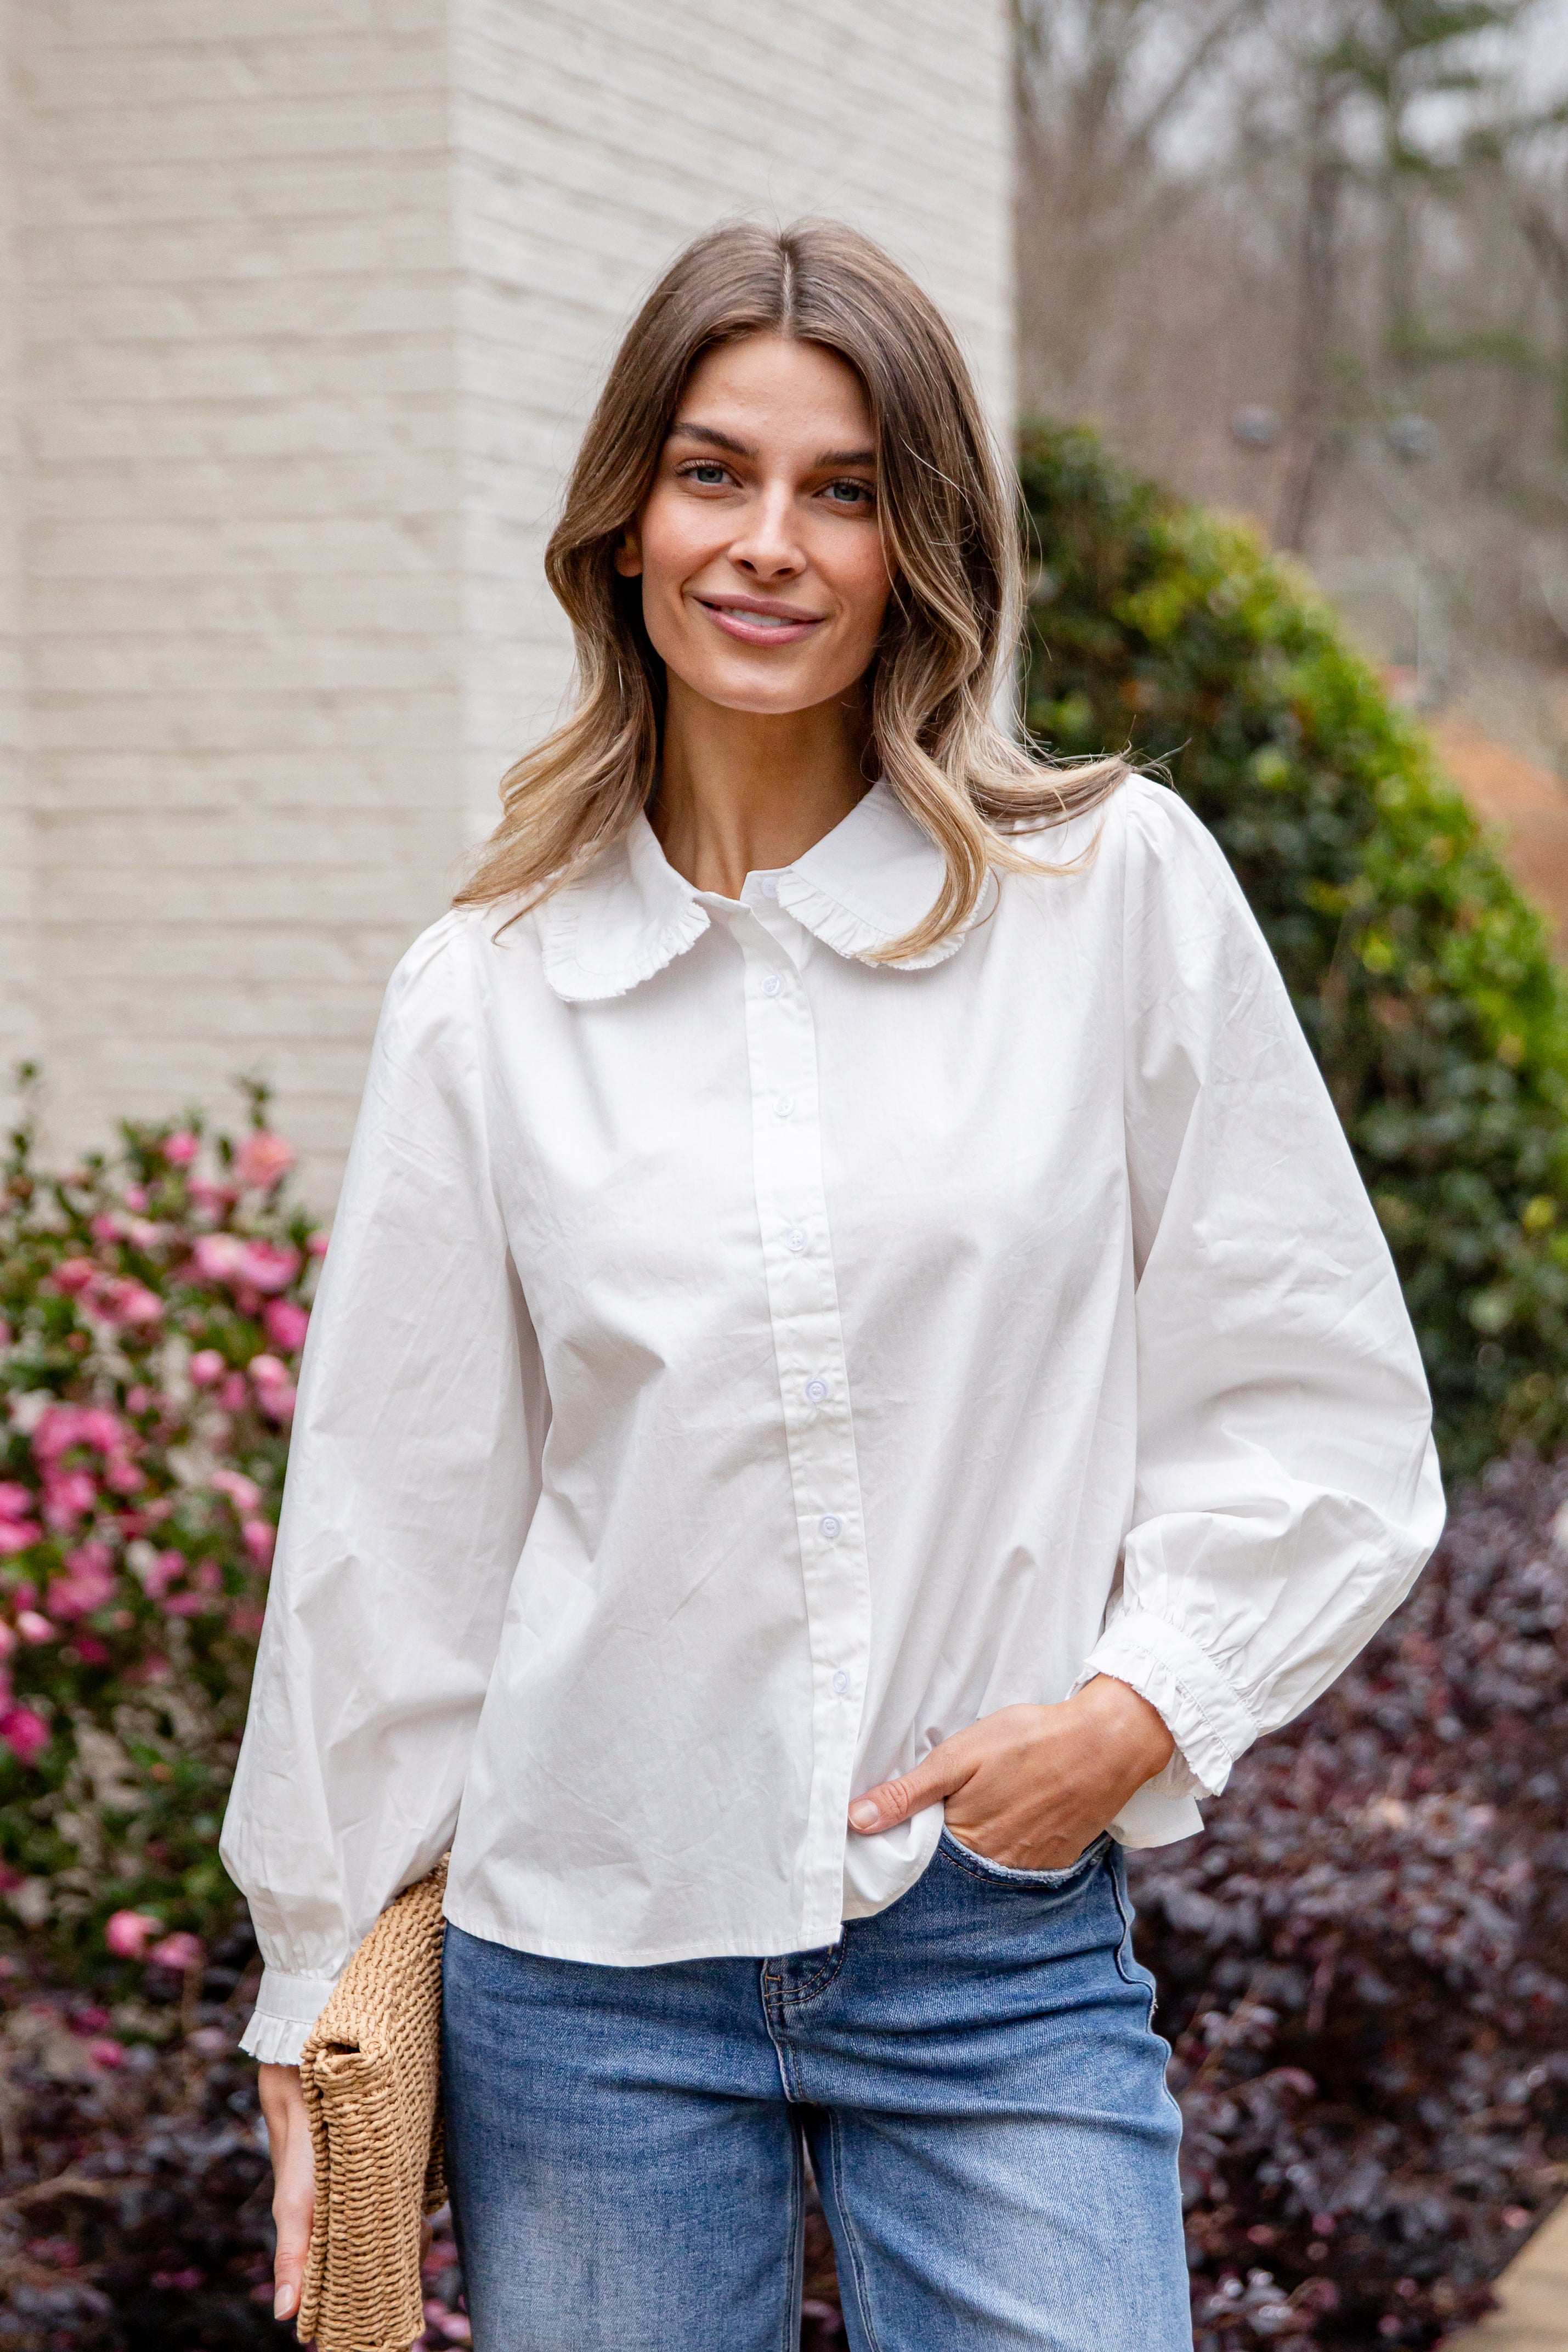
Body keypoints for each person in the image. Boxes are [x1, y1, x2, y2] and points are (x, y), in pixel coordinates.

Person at [220, 219, 1444, 2352]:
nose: (769, 543)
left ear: (921, 543)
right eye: (714, 474)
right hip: (581, 1978)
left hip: (997, 1959)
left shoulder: (1108, 896)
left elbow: (1313, 1391)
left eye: (845, 488)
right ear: (623, 523)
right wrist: (316, 1998)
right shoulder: (488, 998)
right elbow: (394, 1534)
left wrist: (1139, 1705)